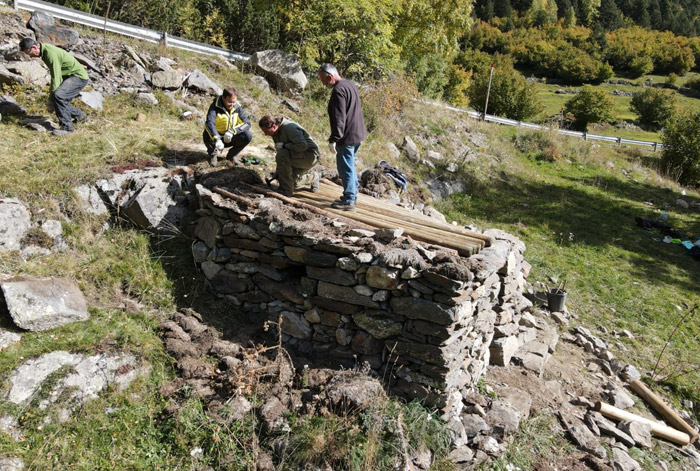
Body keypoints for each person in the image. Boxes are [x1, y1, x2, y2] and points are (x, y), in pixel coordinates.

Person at [317, 63, 367, 211]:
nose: (323, 84)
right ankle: (352, 195)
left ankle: (349, 200)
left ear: (330, 77)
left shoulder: (338, 90)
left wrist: (334, 138)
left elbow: (340, 117)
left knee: (345, 168)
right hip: (358, 134)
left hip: (346, 137)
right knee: (350, 166)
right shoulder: (349, 85)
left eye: (324, 80)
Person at [19, 38, 89, 136]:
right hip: (70, 76)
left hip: (78, 77)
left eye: (29, 53)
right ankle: (81, 116)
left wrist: (51, 99)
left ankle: (67, 129)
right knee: (60, 100)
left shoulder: (49, 53)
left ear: (35, 47)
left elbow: (56, 77)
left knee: (59, 96)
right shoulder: (45, 51)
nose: (30, 56)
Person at [259, 115, 320, 196]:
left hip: (310, 156)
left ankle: (285, 191)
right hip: (297, 155)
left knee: (282, 156)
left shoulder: (290, 128)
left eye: (266, 131)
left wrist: (285, 146)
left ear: (274, 127)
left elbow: (302, 146)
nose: (265, 134)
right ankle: (314, 176)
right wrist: (279, 172)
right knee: (293, 183)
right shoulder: (275, 133)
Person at [203, 87, 252, 167]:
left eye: (234, 102)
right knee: (207, 133)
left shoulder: (237, 107)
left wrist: (232, 131)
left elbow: (247, 123)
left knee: (247, 135)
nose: (232, 105)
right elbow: (209, 123)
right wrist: (217, 139)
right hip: (217, 138)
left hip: (230, 137)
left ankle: (232, 155)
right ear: (223, 98)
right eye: (229, 102)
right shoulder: (214, 107)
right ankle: (213, 154)